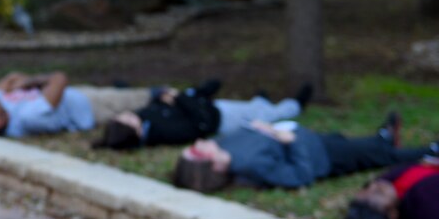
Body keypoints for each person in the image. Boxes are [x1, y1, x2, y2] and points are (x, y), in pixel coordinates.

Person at [173, 111, 439, 192]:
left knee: (357, 145)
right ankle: (432, 151)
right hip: (321, 156)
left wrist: (264, 127)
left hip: (312, 139)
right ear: (213, 167)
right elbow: (301, 176)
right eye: (196, 151)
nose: (198, 143)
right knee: (373, 157)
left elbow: (252, 130)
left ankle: (383, 137)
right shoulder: (252, 167)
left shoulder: (225, 144)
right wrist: (290, 141)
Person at [92, 82, 312, 149]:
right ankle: (296, 105)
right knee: (269, 114)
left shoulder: (147, 118)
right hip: (222, 118)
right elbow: (200, 124)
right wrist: (179, 98)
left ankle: (260, 99)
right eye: (130, 120)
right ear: (138, 132)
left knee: (255, 106)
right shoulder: (166, 133)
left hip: (214, 107)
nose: (131, 115)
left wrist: (166, 98)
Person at [0, 71, 150, 138]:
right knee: (147, 97)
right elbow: (59, 78)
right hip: (92, 107)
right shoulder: (28, 117)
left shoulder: (0, 104)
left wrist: (28, 82)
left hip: (77, 94)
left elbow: (12, 77)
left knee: (122, 92)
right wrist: (36, 81)